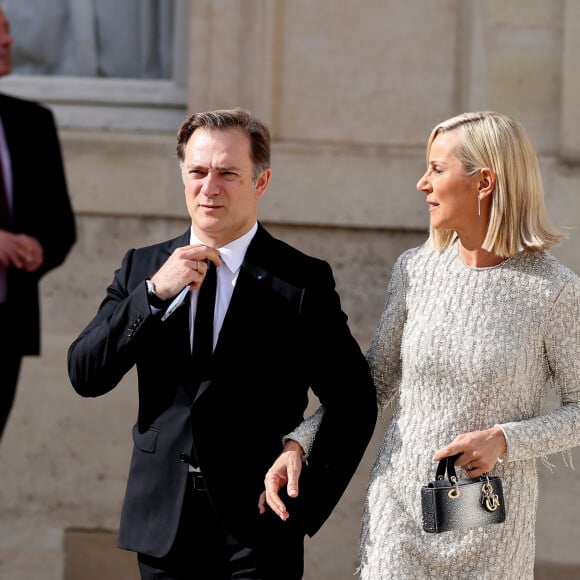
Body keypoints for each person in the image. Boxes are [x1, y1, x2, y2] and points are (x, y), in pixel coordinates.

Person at [261, 111, 580, 578]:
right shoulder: (417, 270)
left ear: (484, 182)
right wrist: (300, 443)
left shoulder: (553, 291)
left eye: (436, 169)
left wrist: (505, 440)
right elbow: (371, 384)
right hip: (399, 517)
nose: (421, 184)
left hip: (490, 532)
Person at [67, 107, 377, 579]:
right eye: (198, 171)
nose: (210, 187)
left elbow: (354, 401)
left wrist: (303, 485)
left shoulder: (301, 282)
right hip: (161, 524)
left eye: (228, 173)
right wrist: (152, 295)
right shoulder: (142, 268)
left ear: (261, 182)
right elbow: (85, 374)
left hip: (259, 528)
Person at [0, 7, 76, 444]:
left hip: (5, 328)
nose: (9, 41)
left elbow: (60, 225)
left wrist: (37, 247)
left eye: (8, 30)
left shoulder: (31, 123)